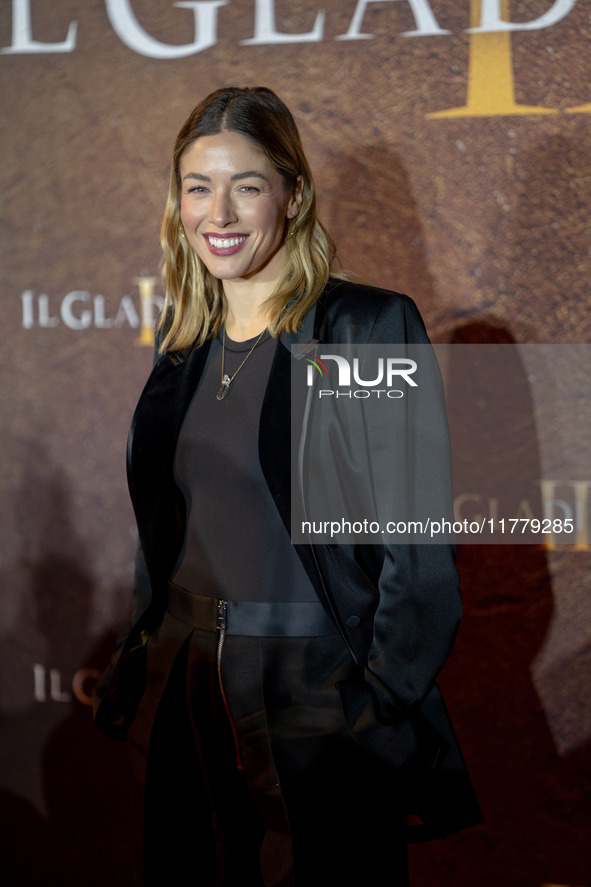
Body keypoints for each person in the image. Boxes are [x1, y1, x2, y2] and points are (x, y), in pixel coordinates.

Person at [94, 86, 481, 886]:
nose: (219, 212)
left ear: (293, 194)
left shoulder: (364, 327)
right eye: (198, 186)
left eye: (247, 184)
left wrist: (373, 701)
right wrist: (145, 653)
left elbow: (416, 548)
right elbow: (168, 527)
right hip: (184, 679)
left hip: (313, 685)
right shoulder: (182, 345)